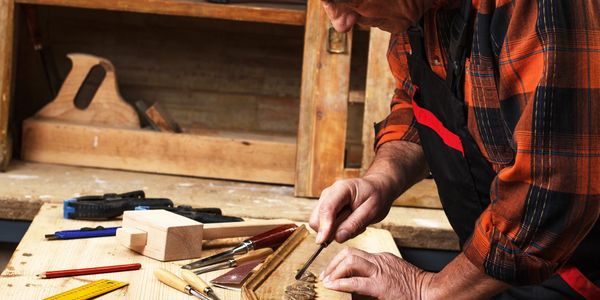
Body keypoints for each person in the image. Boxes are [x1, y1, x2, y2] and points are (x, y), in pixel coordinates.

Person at [309, 0, 600, 299]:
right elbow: (416, 105)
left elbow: (553, 189)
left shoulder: (538, 8)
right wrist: (380, 181)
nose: (340, 23)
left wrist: (426, 289)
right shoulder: (416, 12)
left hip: (578, 275)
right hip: (494, 268)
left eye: (347, 1)